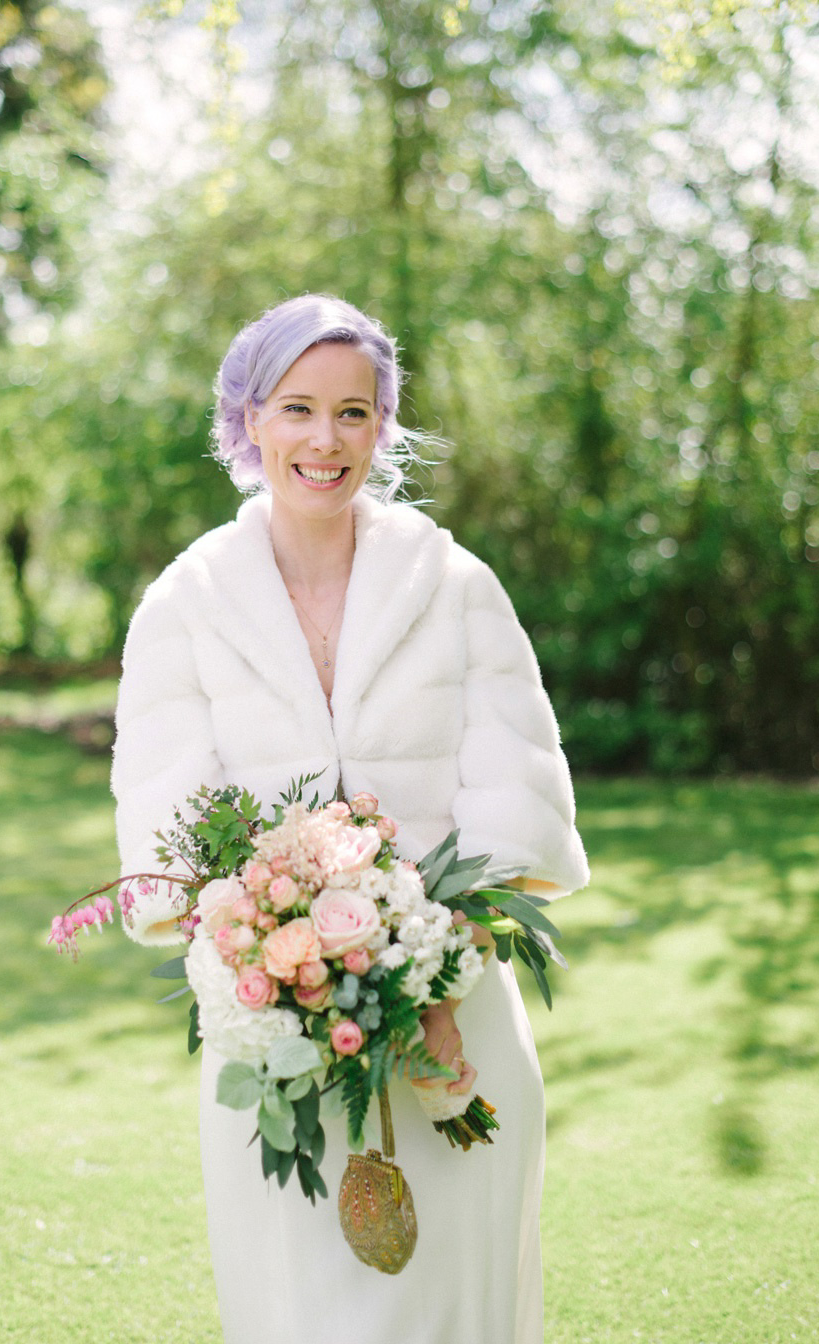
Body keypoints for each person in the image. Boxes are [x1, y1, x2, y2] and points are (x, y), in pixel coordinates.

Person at [111, 294, 589, 1344]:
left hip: (459, 1041)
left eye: (355, 413)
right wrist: (292, 972)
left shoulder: (458, 588)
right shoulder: (185, 605)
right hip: (279, 1044)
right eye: (297, 409)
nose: (325, 440)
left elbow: (517, 810)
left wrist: (428, 984)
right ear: (248, 421)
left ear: (384, 426)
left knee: (460, 1306)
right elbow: (170, 848)